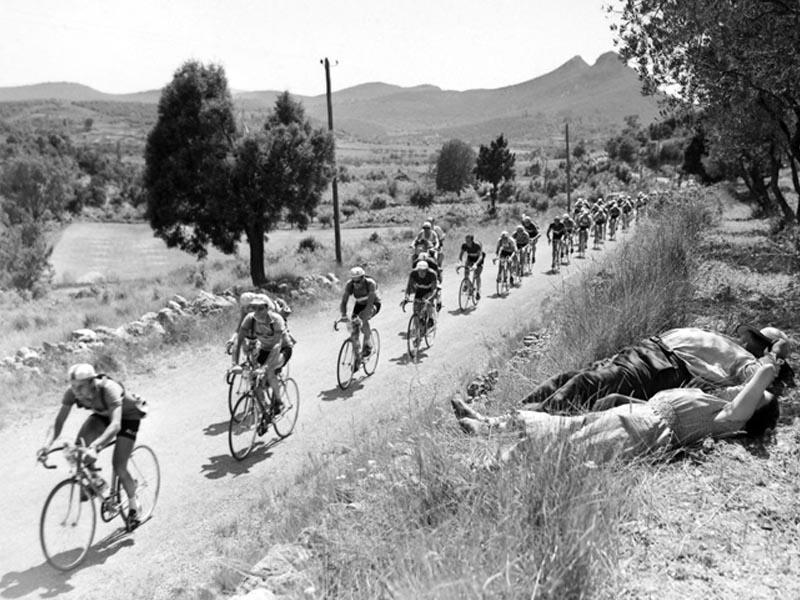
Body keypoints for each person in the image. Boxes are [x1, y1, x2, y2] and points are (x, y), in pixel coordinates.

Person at [452, 362, 780, 465]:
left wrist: (769, 368)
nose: (744, 390)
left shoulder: (731, 419)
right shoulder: (716, 404)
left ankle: (488, 463)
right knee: (560, 426)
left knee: (568, 445)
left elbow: (761, 378)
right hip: (639, 415)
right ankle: (488, 427)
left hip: (644, 429)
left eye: (755, 395)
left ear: (754, 409)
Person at [520, 325, 792, 413]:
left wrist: (776, 354)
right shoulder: (723, 339)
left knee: (588, 385)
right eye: (751, 335)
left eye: (757, 339)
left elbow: (760, 377)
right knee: (571, 378)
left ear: (761, 348)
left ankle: (521, 424)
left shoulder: (747, 360)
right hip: (647, 350)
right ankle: (517, 412)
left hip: (660, 364)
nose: (747, 338)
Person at [38, 364, 148, 531]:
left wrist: (95, 447)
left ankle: (134, 506)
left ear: (92, 382)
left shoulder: (109, 389)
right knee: (77, 450)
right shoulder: (72, 393)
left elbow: (116, 425)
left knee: (119, 466)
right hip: (103, 415)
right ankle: (96, 481)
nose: (76, 391)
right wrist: (46, 446)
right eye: (73, 386)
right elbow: (58, 422)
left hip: (127, 418)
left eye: (80, 386)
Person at [231, 296, 287, 413]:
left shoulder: (277, 319)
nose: (257, 311)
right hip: (264, 349)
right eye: (254, 308)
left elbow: (277, 345)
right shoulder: (250, 319)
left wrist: (265, 367)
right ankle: (264, 408)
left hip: (282, 349)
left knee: (269, 371)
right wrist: (235, 364)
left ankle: (279, 401)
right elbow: (238, 341)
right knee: (254, 379)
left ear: (267, 309)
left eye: (260, 308)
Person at [339, 266, 381, 358]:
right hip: (360, 304)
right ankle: (357, 356)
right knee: (353, 326)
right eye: (353, 281)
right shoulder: (350, 285)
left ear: (363, 278)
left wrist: (364, 317)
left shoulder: (370, 283)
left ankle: (368, 344)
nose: (355, 284)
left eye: (358, 281)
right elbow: (344, 302)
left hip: (373, 303)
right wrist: (343, 315)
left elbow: (369, 305)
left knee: (363, 318)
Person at [458, 234, 485, 300]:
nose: (467, 243)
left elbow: (480, 256)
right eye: (466, 241)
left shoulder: (476, 245)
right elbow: (460, 255)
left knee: (477, 275)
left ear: (472, 241)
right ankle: (468, 285)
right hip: (470, 258)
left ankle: (478, 291)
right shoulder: (464, 245)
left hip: (478, 259)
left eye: (468, 241)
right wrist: (460, 263)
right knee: (466, 272)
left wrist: (475, 264)